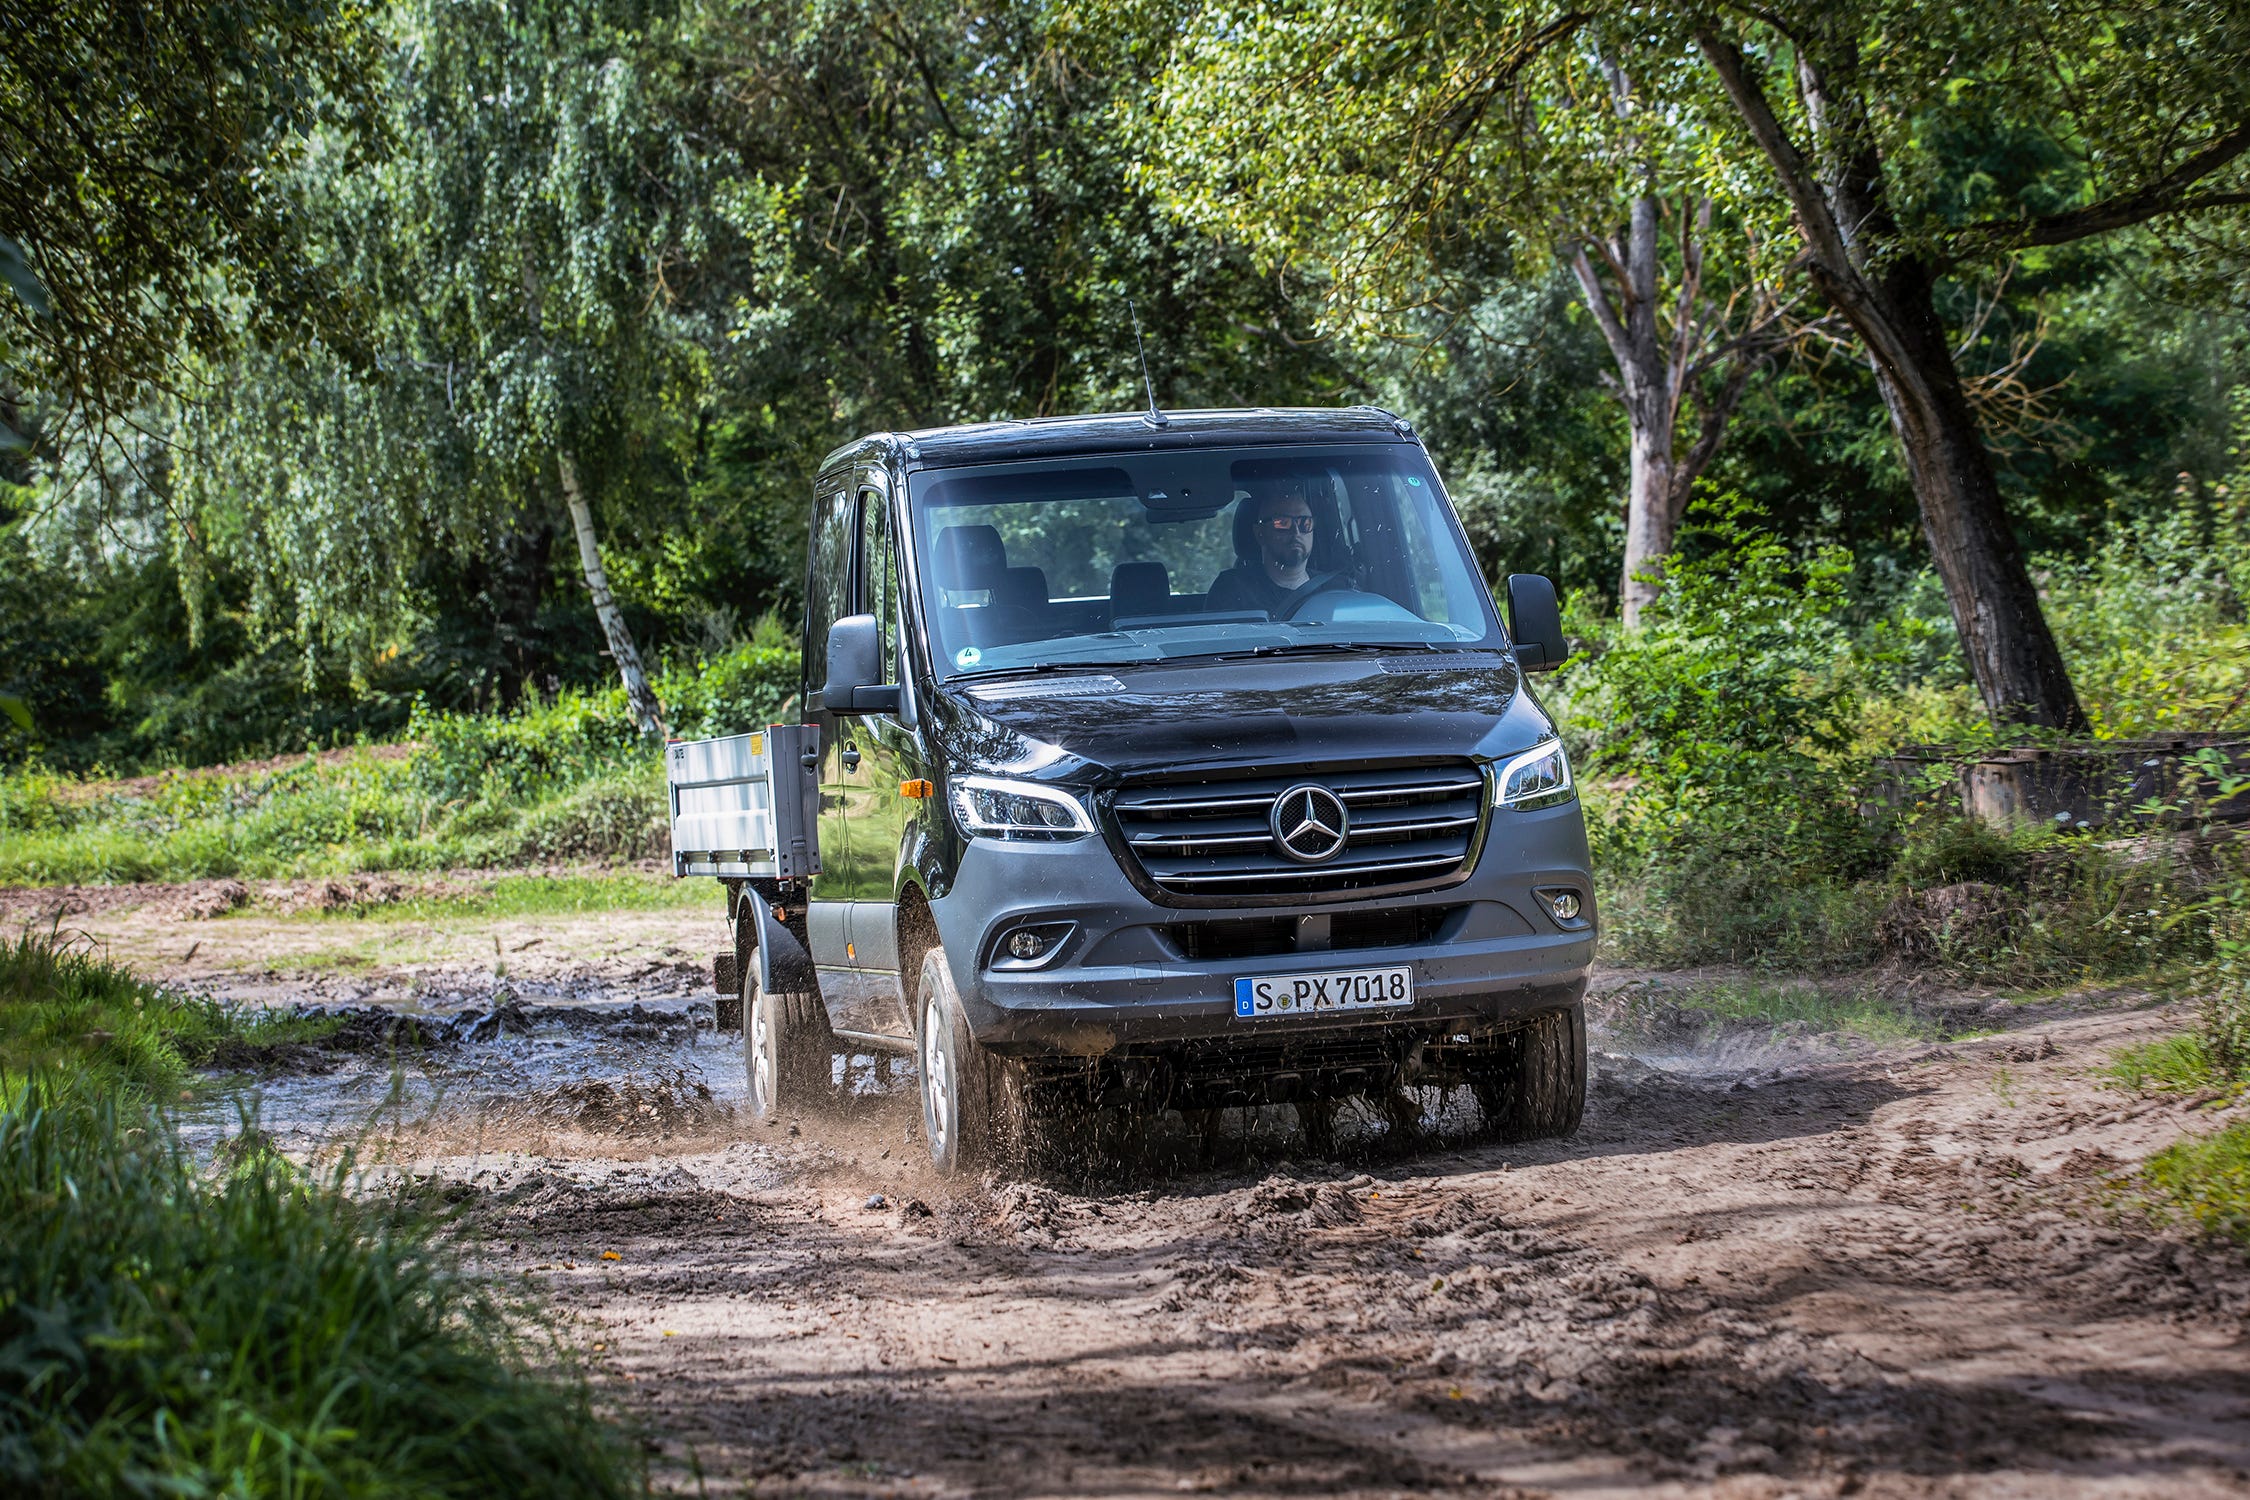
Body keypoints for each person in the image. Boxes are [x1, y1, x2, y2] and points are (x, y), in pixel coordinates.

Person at [1206, 483, 1337, 616]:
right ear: (1260, 533)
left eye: (1305, 523)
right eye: (1282, 523)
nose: (1296, 532)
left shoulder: (1337, 588)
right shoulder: (1232, 590)